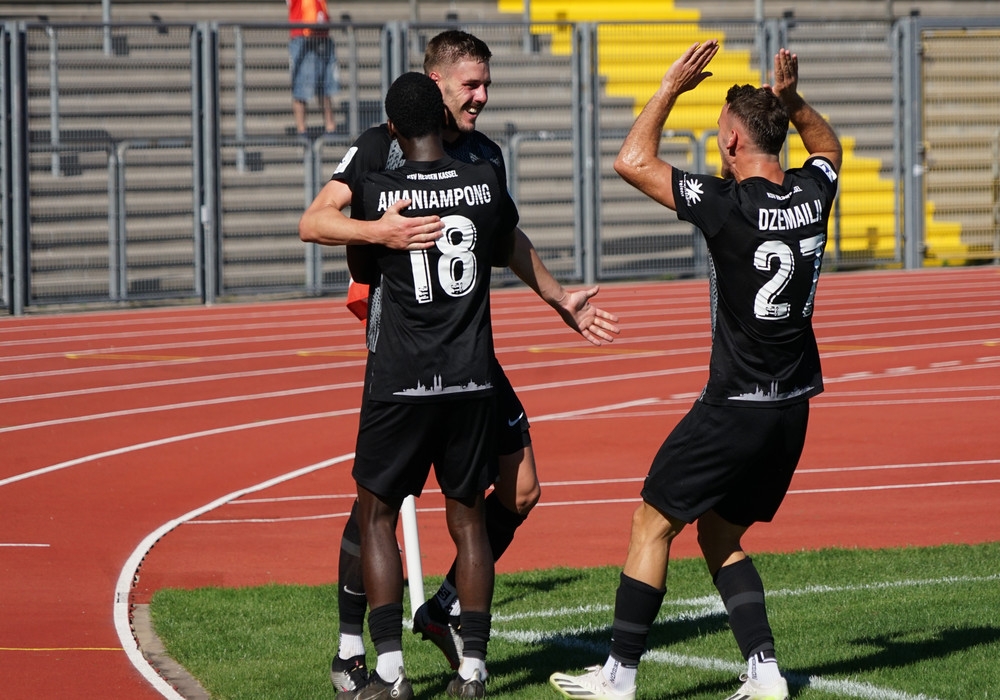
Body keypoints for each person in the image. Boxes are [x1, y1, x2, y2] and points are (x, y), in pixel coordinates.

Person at [298, 29, 620, 695]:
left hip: (470, 353)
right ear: (435, 84)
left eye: (487, 85)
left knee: (520, 490)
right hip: (403, 350)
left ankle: (442, 609)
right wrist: (378, 231)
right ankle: (351, 648)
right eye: (471, 85)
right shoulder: (377, 146)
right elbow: (319, 217)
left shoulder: (484, 156)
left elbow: (507, 240)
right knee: (376, 503)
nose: (481, 97)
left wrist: (559, 297)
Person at [548, 41, 841, 700]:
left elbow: (631, 161)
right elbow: (828, 149)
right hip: (792, 406)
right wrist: (794, 101)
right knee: (719, 531)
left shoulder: (726, 204)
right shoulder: (811, 191)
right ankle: (765, 671)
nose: (716, 143)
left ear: (733, 141)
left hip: (736, 405)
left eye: (718, 133)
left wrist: (668, 90)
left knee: (651, 523)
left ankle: (619, 676)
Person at [341, 70, 519, 700]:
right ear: (442, 117)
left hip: (401, 378)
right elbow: (501, 245)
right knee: (469, 523)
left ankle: (390, 671)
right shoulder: (484, 179)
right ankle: (473, 668)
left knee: (378, 516)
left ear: (393, 127)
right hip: (470, 377)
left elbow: (362, 267)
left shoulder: (378, 191)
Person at [287, 0, 338, 135]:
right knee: (301, 86)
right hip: (302, 35)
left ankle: (330, 127)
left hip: (322, 34)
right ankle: (302, 130)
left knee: (325, 86)